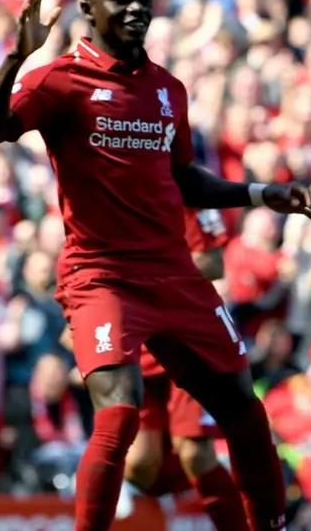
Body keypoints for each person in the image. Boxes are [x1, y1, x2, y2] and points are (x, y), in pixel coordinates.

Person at [0, 0, 311, 531]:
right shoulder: (60, 78)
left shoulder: (167, 90)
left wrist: (260, 193)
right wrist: (16, 55)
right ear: (87, 10)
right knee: (119, 417)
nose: (136, 9)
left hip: (174, 274)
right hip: (101, 274)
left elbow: (184, 180)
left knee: (245, 413)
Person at [121, 207, 246, 529]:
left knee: (194, 452)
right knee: (140, 465)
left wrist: (149, 273)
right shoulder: (114, 193)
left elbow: (213, 262)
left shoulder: (190, 193)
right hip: (139, 343)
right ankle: (171, 503)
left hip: (188, 343)